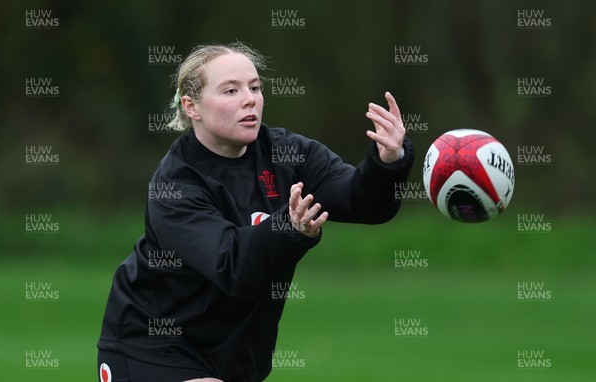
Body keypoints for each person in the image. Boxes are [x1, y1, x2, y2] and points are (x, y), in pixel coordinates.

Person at [97, 42, 414, 382]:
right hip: (153, 346)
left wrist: (386, 162)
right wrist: (289, 228)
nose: (250, 98)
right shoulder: (176, 184)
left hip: (237, 354)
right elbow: (232, 266)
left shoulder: (288, 154)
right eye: (231, 90)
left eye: (255, 87)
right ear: (191, 106)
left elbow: (361, 201)